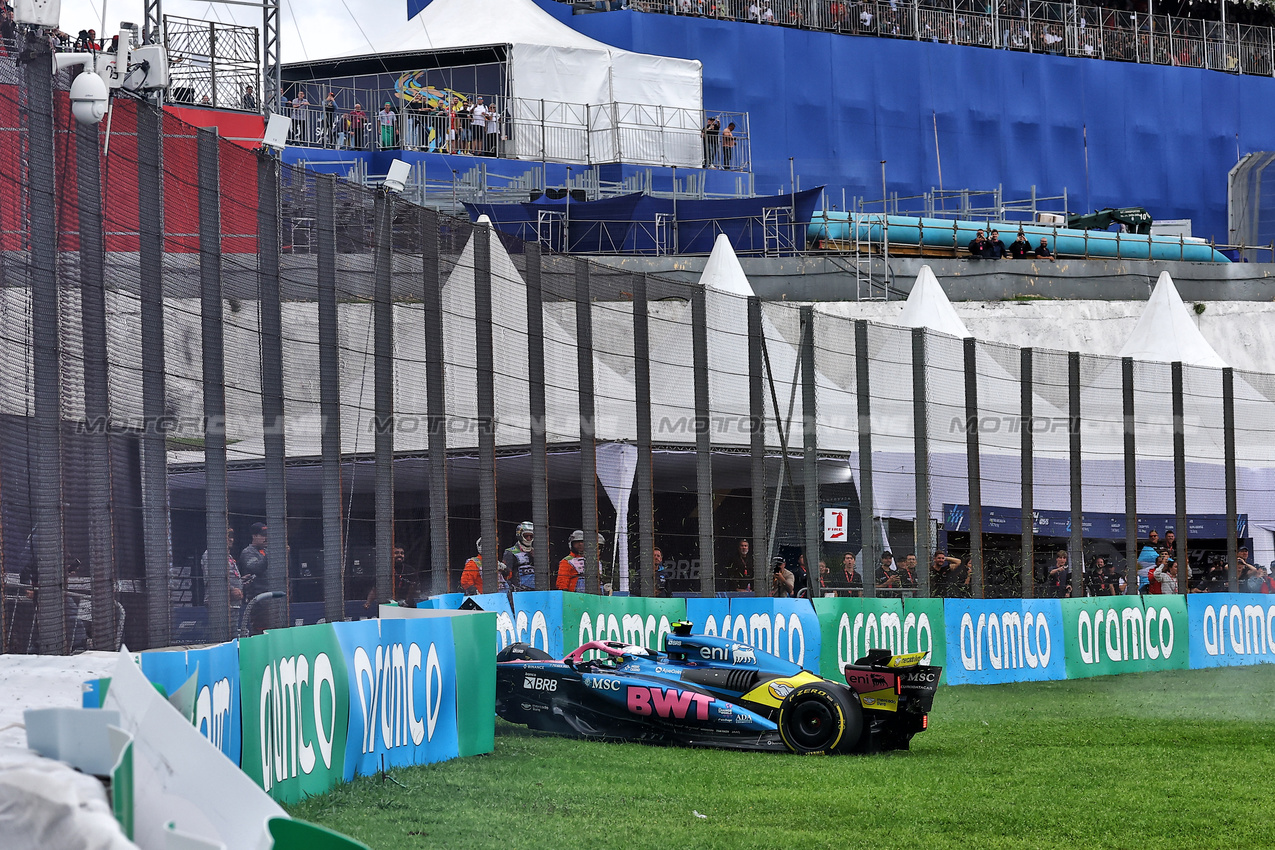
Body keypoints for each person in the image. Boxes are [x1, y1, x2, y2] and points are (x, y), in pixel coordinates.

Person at [201, 526, 244, 614]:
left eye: (231, 536)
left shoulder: (229, 556)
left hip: (233, 604)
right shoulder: (210, 554)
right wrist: (231, 590)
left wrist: (241, 582)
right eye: (227, 536)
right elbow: (212, 580)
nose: (231, 539)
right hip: (219, 604)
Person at [502, 521, 536, 591]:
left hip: (536, 591)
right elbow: (507, 577)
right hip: (518, 592)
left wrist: (535, 558)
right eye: (526, 536)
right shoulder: (510, 552)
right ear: (520, 535)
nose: (529, 538)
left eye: (531, 536)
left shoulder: (538, 553)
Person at [238, 522, 269, 594]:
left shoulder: (266, 550)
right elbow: (256, 568)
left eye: (267, 535)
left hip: (272, 593)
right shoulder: (248, 552)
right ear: (254, 536)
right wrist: (271, 554)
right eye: (263, 535)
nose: (266, 538)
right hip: (256, 596)